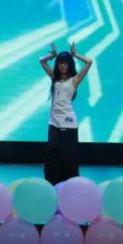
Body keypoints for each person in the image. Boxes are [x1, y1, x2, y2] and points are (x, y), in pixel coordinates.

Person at [39, 41, 92, 185]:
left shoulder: (75, 80)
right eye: (61, 63)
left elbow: (89, 62)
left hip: (69, 124)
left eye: (66, 63)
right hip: (53, 123)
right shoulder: (54, 78)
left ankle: (70, 185)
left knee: (69, 157)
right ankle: (52, 184)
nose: (63, 66)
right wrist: (52, 56)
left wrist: (76, 55)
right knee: (52, 154)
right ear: (58, 65)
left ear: (70, 65)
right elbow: (41, 61)